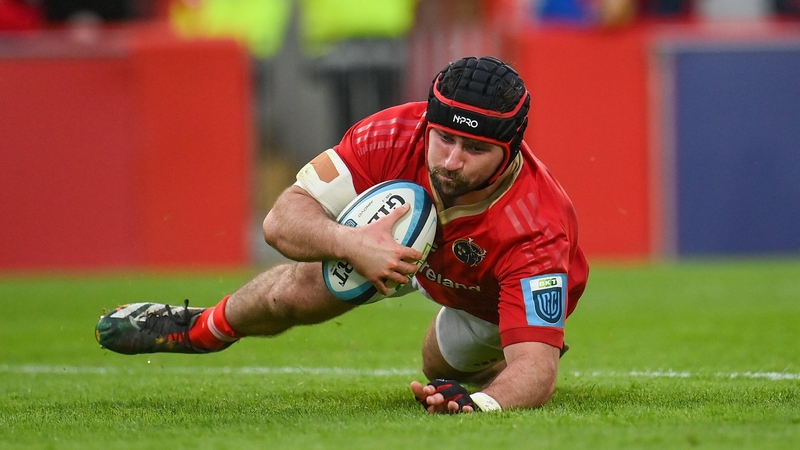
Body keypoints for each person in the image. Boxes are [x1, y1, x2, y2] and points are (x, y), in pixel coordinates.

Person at [96, 56, 590, 413]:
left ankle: (487, 359)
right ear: (429, 125)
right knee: (306, 286)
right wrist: (352, 243)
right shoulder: (397, 133)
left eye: (474, 148)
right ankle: (198, 330)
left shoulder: (536, 227)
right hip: (391, 243)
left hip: (480, 293)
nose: (451, 160)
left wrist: (481, 404)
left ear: (510, 149)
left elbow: (535, 370)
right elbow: (282, 220)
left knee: (440, 366)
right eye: (445, 138)